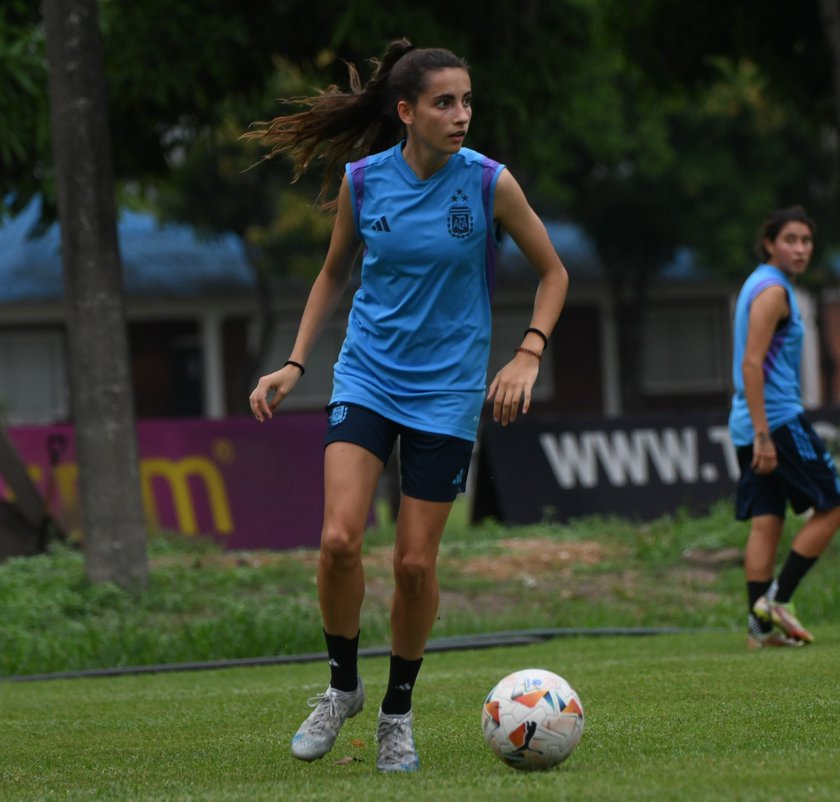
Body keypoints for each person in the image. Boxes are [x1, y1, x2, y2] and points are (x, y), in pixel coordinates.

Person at [246, 39, 568, 772]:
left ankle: (397, 711)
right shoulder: (365, 182)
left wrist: (528, 351)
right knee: (337, 541)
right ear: (406, 111)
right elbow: (333, 275)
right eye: (444, 103)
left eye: (467, 101)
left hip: (448, 390)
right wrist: (296, 363)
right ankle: (341, 687)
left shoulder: (489, 183)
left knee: (415, 566)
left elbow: (554, 273)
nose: (461, 115)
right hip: (366, 376)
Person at [728, 206, 840, 650]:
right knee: (833, 508)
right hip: (774, 419)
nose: (800, 249)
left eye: (806, 241)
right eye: (791, 240)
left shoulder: (756, 283)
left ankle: (759, 630)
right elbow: (751, 362)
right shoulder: (774, 291)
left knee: (767, 522)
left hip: (748, 420)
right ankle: (777, 601)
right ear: (769, 243)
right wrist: (764, 434)